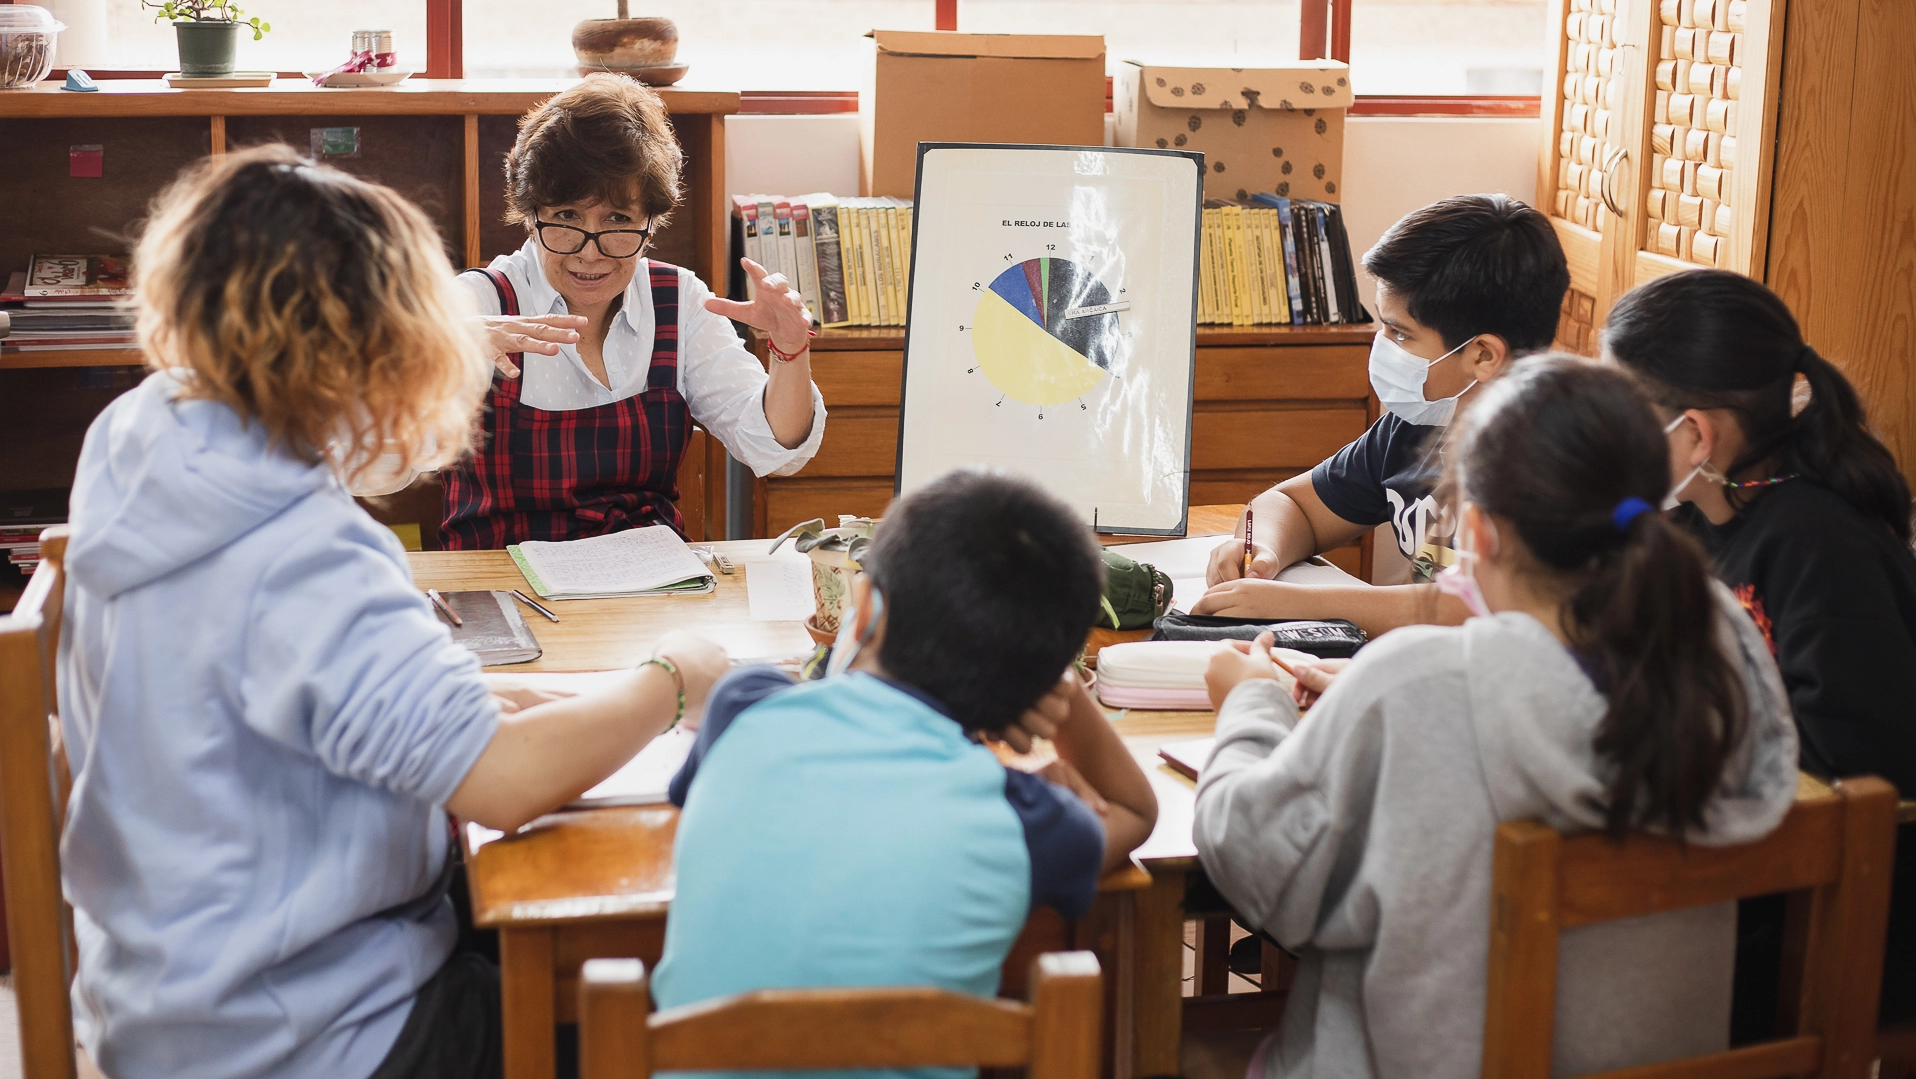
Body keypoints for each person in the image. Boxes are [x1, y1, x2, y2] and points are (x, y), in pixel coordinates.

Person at [58, 146, 729, 1079]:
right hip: (309, 1034)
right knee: (697, 1008)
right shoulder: (298, 550)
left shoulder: (147, 439)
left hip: (175, 994)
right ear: (365, 342)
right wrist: (674, 678)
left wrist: (564, 705)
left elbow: (349, 701)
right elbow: (499, 782)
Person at [1194, 354, 1798, 1079]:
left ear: (1476, 532)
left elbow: (1261, 875)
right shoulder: (1722, 655)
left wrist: (1250, 704)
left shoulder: (1414, 686)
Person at [652, 469, 1158, 1025]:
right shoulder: (1022, 821)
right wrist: (1053, 683)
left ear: (862, 606)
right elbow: (1133, 808)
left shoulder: (743, 708)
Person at [1602, 268, 1916, 1030]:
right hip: (1741, 854)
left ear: (1696, 434)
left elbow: (1869, 756)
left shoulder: (1817, 541)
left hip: (1842, 909)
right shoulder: (1687, 520)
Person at [441, 73, 825, 548]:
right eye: (565, 218)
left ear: (651, 222)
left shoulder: (679, 299)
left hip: (651, 589)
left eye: (618, 221)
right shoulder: (477, 304)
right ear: (530, 213)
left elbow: (774, 447)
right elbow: (386, 461)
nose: (590, 252)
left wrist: (789, 350)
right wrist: (438, 355)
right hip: (502, 586)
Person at [1198, 193, 1569, 634]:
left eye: (1400, 333)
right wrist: (1260, 547)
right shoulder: (1417, 425)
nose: (1382, 345)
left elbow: (1479, 606)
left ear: (1483, 355)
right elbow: (1293, 504)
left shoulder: (1558, 459)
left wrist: (1299, 603)